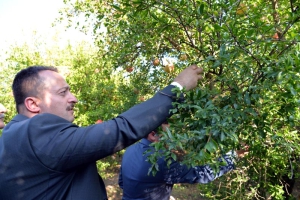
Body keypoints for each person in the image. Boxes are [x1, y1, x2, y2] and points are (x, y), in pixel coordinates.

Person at [0, 65, 203, 200]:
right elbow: (119, 129)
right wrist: (177, 88)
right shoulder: (34, 132)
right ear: (33, 104)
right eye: (63, 93)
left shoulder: (12, 137)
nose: (74, 99)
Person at [118, 121, 248, 200]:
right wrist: (233, 155)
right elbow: (203, 174)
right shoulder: (162, 160)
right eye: (167, 135)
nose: (171, 140)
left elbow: (123, 183)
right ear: (152, 135)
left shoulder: (130, 150)